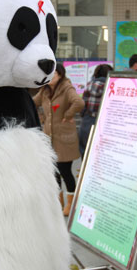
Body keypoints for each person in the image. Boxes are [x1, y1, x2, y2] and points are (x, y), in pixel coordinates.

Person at [33, 63, 85, 216]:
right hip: (49, 137)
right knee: (53, 171)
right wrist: (40, 117)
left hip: (64, 138)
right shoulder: (45, 90)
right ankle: (58, 202)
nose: (51, 78)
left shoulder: (66, 88)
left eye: (54, 74)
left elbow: (79, 102)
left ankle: (71, 203)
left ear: (60, 75)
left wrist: (68, 115)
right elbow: (33, 102)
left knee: (65, 170)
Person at [79, 64, 113, 158]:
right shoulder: (110, 86)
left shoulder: (89, 85)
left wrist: (84, 115)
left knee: (85, 149)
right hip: (103, 121)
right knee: (100, 151)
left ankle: (84, 169)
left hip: (88, 120)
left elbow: (83, 104)